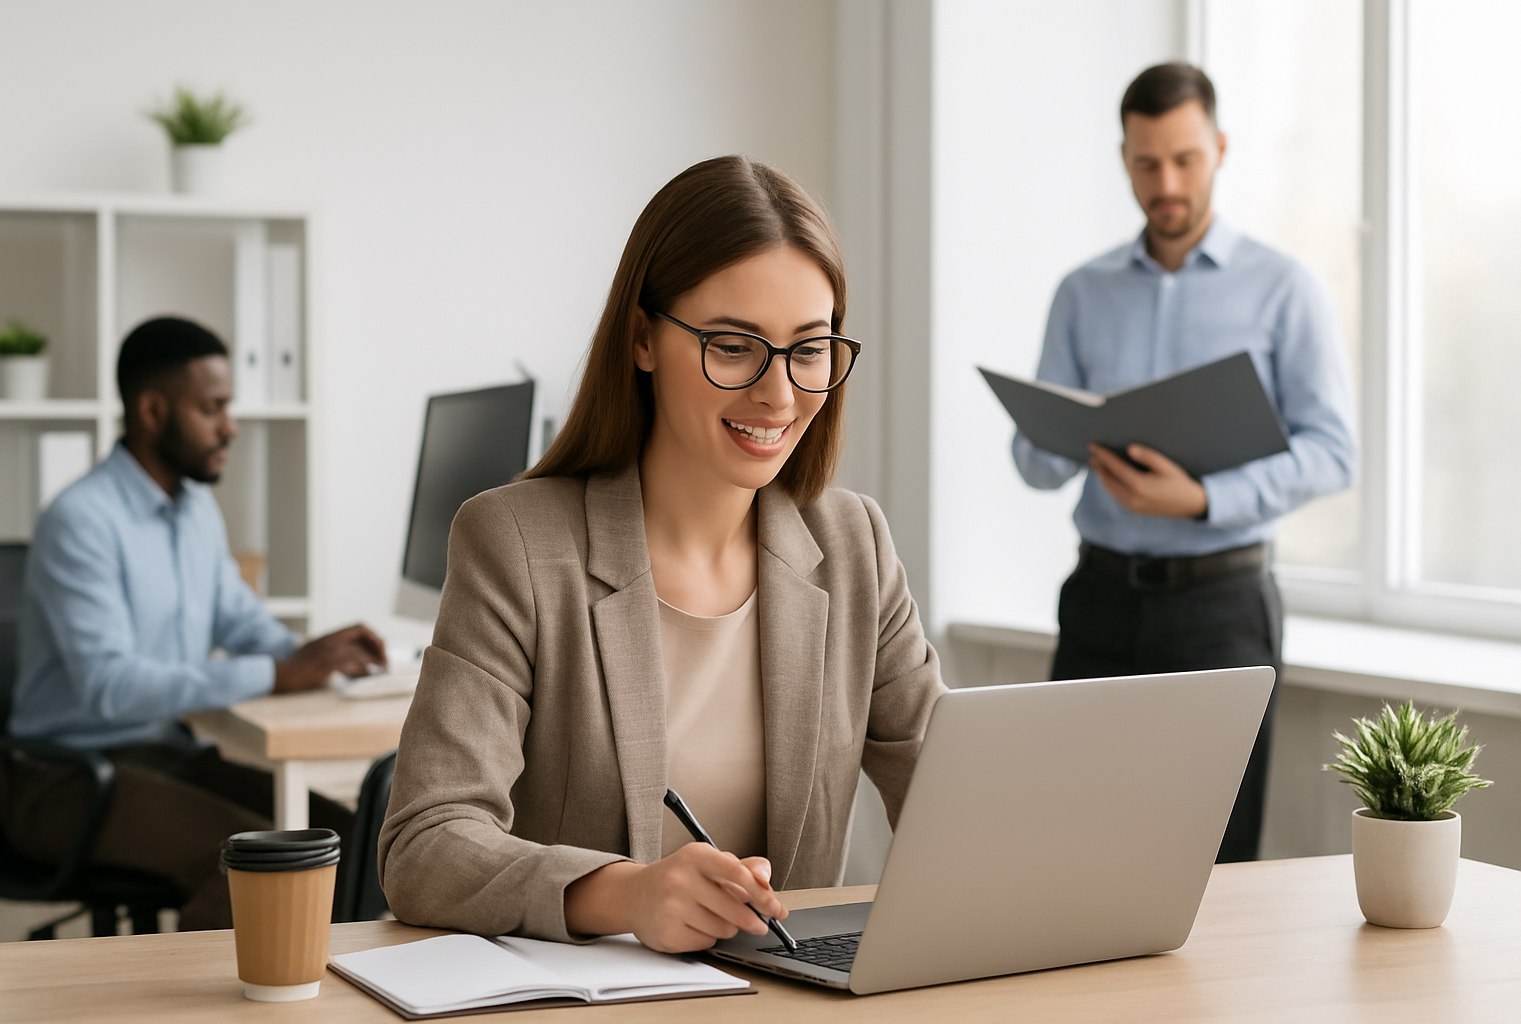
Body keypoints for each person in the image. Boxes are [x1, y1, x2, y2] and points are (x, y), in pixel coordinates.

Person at [380, 156, 945, 953]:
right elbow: (424, 845)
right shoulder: (517, 543)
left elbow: (952, 799)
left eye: (808, 349)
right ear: (643, 338)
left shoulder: (853, 544)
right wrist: (627, 893)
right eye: (732, 345)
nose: (779, 394)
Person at [1011, 63, 1357, 862]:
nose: (1165, 182)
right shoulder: (1082, 292)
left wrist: (1202, 497)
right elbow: (1034, 464)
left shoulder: (1284, 288)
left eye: (1184, 159)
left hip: (1222, 612)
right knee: (1072, 853)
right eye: (1145, 163)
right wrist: (1050, 433)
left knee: (1216, 863)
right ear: (1124, 158)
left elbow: (1334, 451)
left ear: (1220, 149)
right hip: (1097, 602)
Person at [1, 316, 387, 929]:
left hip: (165, 755)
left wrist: (315, 656)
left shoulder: (196, 509)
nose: (229, 427)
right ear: (153, 410)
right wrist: (276, 672)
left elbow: (238, 621)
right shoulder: (81, 520)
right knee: (258, 863)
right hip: (64, 776)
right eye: (213, 408)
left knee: (355, 839)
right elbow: (110, 687)